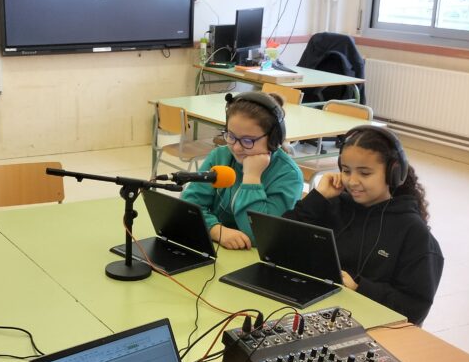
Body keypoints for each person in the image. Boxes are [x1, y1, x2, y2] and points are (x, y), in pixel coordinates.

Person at [285, 126, 443, 325]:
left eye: (365, 173)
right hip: (316, 312)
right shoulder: (331, 205)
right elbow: (279, 243)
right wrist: (317, 198)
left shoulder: (412, 232)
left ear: (393, 173)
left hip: (374, 325)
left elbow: (415, 308)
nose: (352, 181)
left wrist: (360, 288)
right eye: (346, 171)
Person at [180, 91, 304, 250]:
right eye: (231, 136)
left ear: (273, 139)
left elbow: (260, 235)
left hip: (254, 255)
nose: (236, 148)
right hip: (216, 247)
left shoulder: (288, 175)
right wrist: (216, 230)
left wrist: (251, 177)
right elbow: (189, 206)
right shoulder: (220, 156)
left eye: (247, 140)